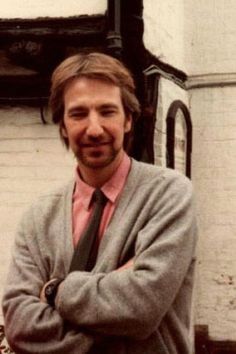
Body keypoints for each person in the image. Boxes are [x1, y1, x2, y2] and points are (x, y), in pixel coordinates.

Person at [2, 52, 197, 354]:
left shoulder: (168, 195)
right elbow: (19, 325)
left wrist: (55, 290)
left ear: (128, 119)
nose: (94, 129)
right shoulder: (38, 217)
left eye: (107, 111)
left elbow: (141, 308)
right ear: (63, 125)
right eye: (78, 114)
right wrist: (115, 301)